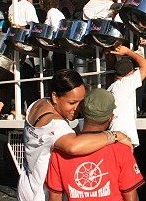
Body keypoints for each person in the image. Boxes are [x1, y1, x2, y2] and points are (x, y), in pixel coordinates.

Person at [17, 69, 131, 201]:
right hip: (42, 195)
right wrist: (115, 135)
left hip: (26, 188)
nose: (77, 108)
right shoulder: (55, 125)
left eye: (81, 102)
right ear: (55, 96)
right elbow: (73, 147)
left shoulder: (38, 104)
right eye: (72, 103)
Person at [46, 88, 144, 201]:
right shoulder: (122, 150)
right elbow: (131, 198)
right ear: (111, 118)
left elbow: (55, 198)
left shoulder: (59, 152)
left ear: (82, 112)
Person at [107, 45, 146, 148]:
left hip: (114, 135)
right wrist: (128, 51)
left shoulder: (111, 87)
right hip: (122, 138)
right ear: (130, 73)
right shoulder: (126, 84)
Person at [40, 0, 67, 70]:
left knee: (59, 69)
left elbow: (56, 29)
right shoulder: (56, 12)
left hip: (59, 47)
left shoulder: (51, 12)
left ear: (42, 2)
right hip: (59, 46)